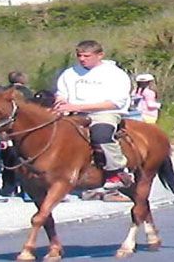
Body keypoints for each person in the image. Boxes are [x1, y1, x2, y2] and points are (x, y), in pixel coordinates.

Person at [53, 40, 135, 190]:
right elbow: (61, 93)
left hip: (105, 112)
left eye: (87, 56)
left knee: (101, 135)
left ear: (100, 55)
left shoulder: (115, 74)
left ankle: (116, 171)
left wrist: (78, 106)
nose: (82, 59)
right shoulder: (70, 73)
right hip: (75, 113)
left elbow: (115, 102)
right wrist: (61, 101)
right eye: (79, 56)